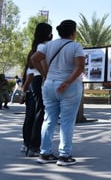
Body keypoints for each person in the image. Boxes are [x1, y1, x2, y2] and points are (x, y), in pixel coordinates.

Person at [31, 20, 85, 166]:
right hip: (69, 87)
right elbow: (80, 66)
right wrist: (67, 82)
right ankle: (64, 156)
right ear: (73, 32)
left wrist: (45, 75)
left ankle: (44, 153)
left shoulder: (49, 45)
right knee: (67, 121)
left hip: (49, 85)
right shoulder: (75, 46)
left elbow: (34, 59)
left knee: (49, 119)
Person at [21, 23, 53, 157]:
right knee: (39, 114)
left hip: (32, 82)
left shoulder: (34, 47)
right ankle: (34, 146)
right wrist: (46, 75)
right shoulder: (43, 47)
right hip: (39, 81)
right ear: (47, 34)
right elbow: (41, 63)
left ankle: (27, 144)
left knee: (30, 114)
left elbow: (29, 68)